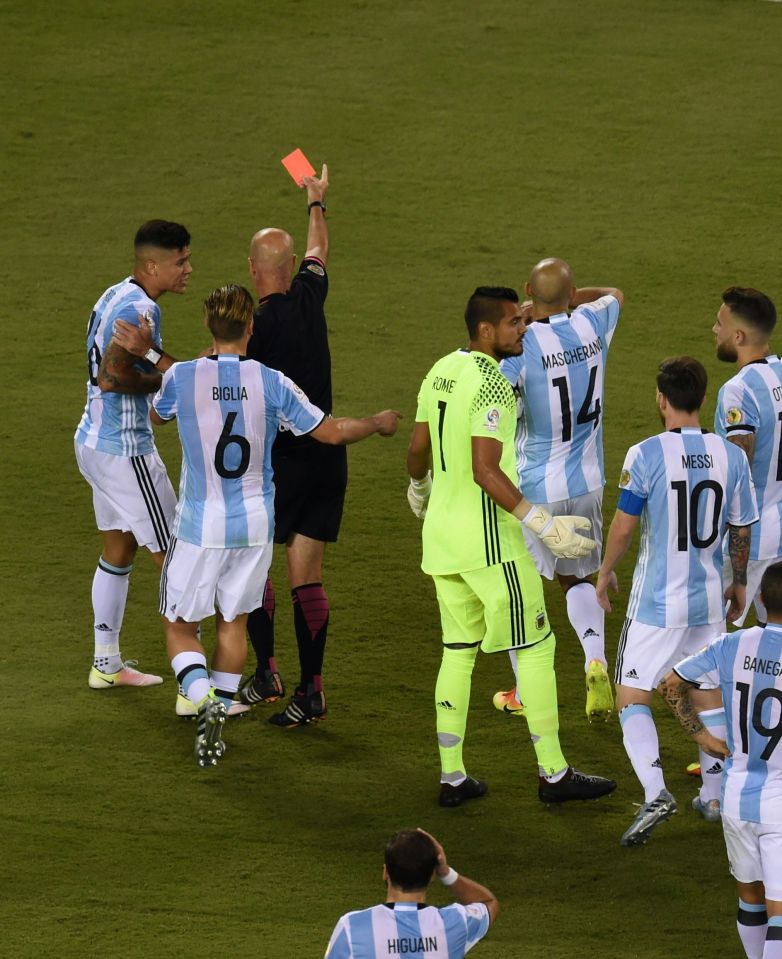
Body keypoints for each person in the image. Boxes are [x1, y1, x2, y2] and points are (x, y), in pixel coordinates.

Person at [150, 284, 400, 766]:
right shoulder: (273, 382)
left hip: (201, 524)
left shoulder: (182, 377)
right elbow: (330, 431)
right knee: (233, 623)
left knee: (179, 625)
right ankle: (219, 708)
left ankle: (202, 700)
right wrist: (376, 422)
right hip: (255, 525)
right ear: (250, 328)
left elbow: (159, 417)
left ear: (208, 325)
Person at [407, 285, 617, 807]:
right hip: (491, 547)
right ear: (486, 331)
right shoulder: (494, 386)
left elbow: (417, 451)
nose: (523, 328)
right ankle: (554, 774)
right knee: (537, 647)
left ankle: (452, 776)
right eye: (513, 324)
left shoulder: (440, 369)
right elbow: (485, 470)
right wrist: (542, 523)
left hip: (441, 541)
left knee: (457, 654)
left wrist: (420, 487)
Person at [596, 356, 758, 846]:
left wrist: (604, 573)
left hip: (655, 603)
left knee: (632, 694)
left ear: (662, 400)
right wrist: (739, 581)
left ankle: (655, 791)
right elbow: (741, 526)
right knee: (707, 690)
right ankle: (714, 797)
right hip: (709, 597)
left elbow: (624, 525)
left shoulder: (644, 453)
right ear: (704, 399)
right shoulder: (733, 455)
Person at [239, 163, 349, 728]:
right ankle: (312, 691)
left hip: (278, 463)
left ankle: (266, 673)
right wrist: (315, 200)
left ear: (256, 271)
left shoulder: (254, 329)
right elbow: (318, 249)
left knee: (253, 570)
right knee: (307, 576)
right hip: (327, 455)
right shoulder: (312, 294)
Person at [496, 258, 623, 722]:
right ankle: (595, 660)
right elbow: (616, 292)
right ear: (572, 296)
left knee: (520, 585)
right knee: (576, 579)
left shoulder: (520, 345)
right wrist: (571, 298)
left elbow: (502, 403)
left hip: (534, 488)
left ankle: (525, 692)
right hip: (587, 481)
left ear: (528, 290)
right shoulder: (593, 320)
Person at [74, 219, 191, 690]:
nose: (188, 269)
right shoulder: (142, 308)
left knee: (118, 551)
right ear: (152, 265)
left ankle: (106, 664)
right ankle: (194, 686)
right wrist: (169, 376)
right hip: (125, 452)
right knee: (178, 559)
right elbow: (113, 377)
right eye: (180, 261)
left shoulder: (114, 293)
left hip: (92, 441)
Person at [659, 561, 782, 959]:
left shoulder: (732, 644)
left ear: (761, 601)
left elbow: (671, 684)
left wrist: (702, 737)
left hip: (736, 797)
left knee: (750, 899)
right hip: (780, 805)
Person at [714, 286, 782, 627]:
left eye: (719, 324)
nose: (714, 330)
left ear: (738, 336)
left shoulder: (739, 390)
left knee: (712, 641)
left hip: (753, 538)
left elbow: (737, 473)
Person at [324, 829, 497, 959]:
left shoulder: (352, 927)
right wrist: (446, 872)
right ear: (432, 876)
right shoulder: (455, 923)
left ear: (386, 873)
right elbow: (488, 902)